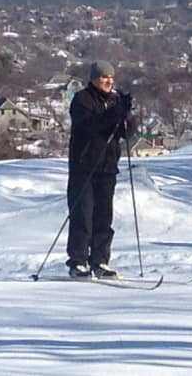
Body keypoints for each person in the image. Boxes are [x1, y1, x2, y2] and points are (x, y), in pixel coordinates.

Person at [65, 60, 136, 279]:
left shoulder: (114, 101)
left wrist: (127, 116)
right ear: (94, 79)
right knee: (82, 215)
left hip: (107, 167)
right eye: (104, 77)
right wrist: (116, 113)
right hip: (84, 167)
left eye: (111, 77)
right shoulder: (82, 100)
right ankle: (78, 261)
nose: (109, 81)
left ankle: (100, 261)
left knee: (104, 217)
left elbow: (126, 133)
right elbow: (92, 126)